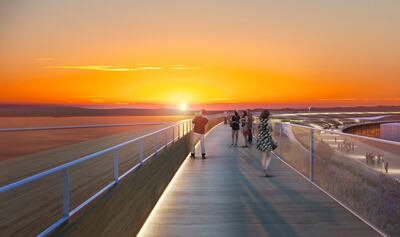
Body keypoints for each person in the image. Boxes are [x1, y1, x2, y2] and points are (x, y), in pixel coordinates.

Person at [256, 110, 276, 177]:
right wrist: (273, 140)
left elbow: (257, 130)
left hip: (261, 139)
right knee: (269, 156)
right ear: (267, 115)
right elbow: (272, 130)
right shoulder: (269, 121)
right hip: (267, 139)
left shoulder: (259, 121)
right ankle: (265, 169)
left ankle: (264, 170)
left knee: (263, 156)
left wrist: (258, 137)